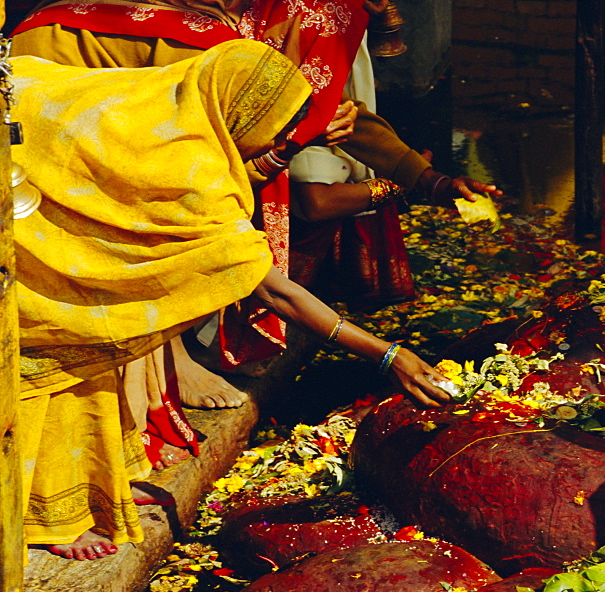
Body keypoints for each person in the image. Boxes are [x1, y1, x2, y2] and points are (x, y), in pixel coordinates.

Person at [14, 40, 450, 560]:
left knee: (99, 332)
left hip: (29, 129)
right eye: (279, 131)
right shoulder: (193, 172)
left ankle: (96, 484)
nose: (284, 141)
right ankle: (49, 519)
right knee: (62, 341)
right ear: (241, 115)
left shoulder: (172, 98)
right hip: (17, 193)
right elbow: (276, 291)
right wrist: (386, 353)